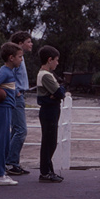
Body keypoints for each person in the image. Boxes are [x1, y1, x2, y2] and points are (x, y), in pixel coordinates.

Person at [0, 43, 24, 186]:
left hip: (7, 109)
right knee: (1, 142)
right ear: (11, 58)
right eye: (20, 57)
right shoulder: (4, 72)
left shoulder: (9, 73)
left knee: (3, 143)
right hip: (1, 109)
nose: (21, 60)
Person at [37, 45, 66, 183]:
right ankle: (45, 172)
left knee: (51, 141)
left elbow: (59, 90)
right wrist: (58, 93)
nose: (57, 63)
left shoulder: (48, 75)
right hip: (49, 111)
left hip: (51, 109)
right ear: (49, 60)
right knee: (49, 141)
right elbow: (60, 92)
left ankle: (49, 170)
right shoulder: (46, 75)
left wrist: (57, 93)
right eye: (56, 60)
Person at [6, 31, 33, 176]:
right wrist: (16, 90)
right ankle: (11, 163)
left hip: (20, 95)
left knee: (16, 130)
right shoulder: (16, 59)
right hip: (17, 96)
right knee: (21, 130)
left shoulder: (21, 59)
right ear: (20, 43)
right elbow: (8, 74)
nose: (31, 44)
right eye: (28, 41)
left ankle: (9, 161)